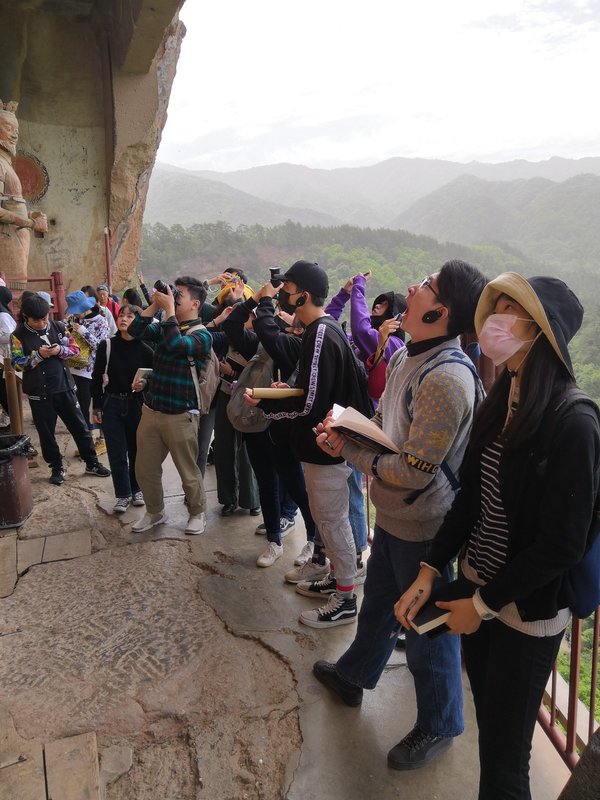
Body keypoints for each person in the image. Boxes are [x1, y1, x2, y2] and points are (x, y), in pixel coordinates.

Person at [394, 273, 598, 799]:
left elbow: (562, 545)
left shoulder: (573, 422)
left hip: (524, 613)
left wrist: (482, 606)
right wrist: (430, 569)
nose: (494, 319)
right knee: (492, 732)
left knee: (505, 762)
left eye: (511, 310)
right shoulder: (503, 395)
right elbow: (470, 499)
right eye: (496, 306)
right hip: (478, 587)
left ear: (542, 331)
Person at [311, 260, 487, 770]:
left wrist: (348, 450)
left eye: (427, 286)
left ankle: (439, 723)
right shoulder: (415, 353)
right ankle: (354, 676)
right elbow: (394, 432)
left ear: (441, 311)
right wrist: (351, 429)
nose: (413, 287)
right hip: (396, 516)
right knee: (381, 604)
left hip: (424, 525)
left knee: (425, 631)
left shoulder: (446, 379)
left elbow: (414, 470)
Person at [246, 260, 374, 628]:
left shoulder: (321, 332)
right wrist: (283, 391)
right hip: (322, 446)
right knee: (327, 520)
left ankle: (346, 599)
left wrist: (270, 402)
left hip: (325, 448)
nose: (282, 292)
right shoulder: (322, 330)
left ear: (302, 294)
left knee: (333, 523)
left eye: (287, 287)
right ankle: (336, 577)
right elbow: (308, 389)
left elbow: (310, 402)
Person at [128, 275, 213, 534]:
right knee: (145, 470)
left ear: (196, 304)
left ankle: (197, 513)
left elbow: (177, 344)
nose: (175, 298)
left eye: (180, 295)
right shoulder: (166, 324)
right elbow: (135, 331)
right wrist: (155, 304)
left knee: (188, 471)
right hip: (152, 410)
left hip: (181, 414)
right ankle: (155, 512)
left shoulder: (203, 335)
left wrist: (167, 311)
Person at [10, 294, 111, 484]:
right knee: (47, 433)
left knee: (80, 427)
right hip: (39, 393)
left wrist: (59, 351)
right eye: (36, 320)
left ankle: (91, 462)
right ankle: (56, 467)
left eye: (44, 318)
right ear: (26, 317)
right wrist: (38, 355)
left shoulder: (59, 326)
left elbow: (74, 350)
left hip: (64, 386)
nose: (41, 323)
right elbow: (17, 364)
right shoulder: (18, 336)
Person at [91, 304, 154, 513]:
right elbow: (96, 376)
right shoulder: (107, 345)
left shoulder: (146, 349)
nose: (124, 319)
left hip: (136, 403)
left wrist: (144, 384)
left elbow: (153, 378)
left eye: (130, 316)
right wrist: (97, 405)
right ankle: (123, 495)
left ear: (139, 321)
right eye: (121, 315)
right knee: (117, 452)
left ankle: (137, 489)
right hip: (112, 403)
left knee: (137, 450)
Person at [0, 101, 48, 289]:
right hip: (7, 238)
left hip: (15, 238)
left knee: (16, 289)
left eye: (16, 130)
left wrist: (30, 216)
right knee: (12, 293)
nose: (14, 134)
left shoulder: (6, 163)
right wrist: (29, 223)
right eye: (7, 128)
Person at [65, 290, 109, 440]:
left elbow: (100, 346)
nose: (75, 314)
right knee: (80, 409)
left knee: (94, 407)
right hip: (73, 367)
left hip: (91, 371)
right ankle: (86, 440)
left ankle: (100, 439)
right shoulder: (72, 319)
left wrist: (83, 331)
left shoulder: (100, 321)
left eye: (76, 311)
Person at [0, 286, 16, 427]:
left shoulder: (3, 315)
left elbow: (11, 336)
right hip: (3, 357)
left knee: (4, 390)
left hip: (6, 358)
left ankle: (12, 420)